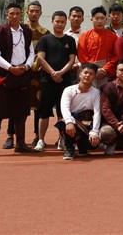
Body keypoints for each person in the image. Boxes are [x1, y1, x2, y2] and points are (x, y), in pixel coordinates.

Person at [0, 3, 35, 157]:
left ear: (21, 15)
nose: (15, 16)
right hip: (5, 76)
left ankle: (20, 143)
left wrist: (26, 66)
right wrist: (10, 68)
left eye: (18, 13)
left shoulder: (26, 31)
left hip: (23, 75)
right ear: (6, 15)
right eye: (12, 13)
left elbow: (31, 52)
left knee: (21, 112)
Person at [34, 10, 77, 152]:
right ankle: (41, 140)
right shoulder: (45, 39)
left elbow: (72, 60)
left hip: (65, 82)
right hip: (47, 81)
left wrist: (60, 73)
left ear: (66, 23)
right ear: (52, 22)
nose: (59, 24)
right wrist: (52, 73)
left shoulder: (70, 40)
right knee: (44, 112)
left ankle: (62, 139)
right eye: (57, 21)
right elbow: (40, 58)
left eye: (62, 22)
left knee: (62, 112)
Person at [58, 62, 102, 160]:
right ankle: (69, 147)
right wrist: (69, 122)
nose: (87, 75)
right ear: (80, 74)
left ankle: (82, 146)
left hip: (87, 121)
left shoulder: (96, 93)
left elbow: (97, 112)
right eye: (85, 72)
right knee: (66, 124)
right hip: (73, 120)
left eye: (91, 74)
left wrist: (94, 132)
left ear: (94, 77)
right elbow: (64, 108)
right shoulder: (68, 90)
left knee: (92, 144)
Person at [22, 0, 49, 147]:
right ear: (27, 12)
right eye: (31, 11)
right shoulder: (20, 30)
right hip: (21, 74)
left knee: (39, 106)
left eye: (36, 11)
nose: (34, 14)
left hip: (39, 75)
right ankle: (12, 135)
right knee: (19, 106)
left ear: (41, 13)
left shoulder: (45, 33)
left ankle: (38, 136)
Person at [76, 6, 119, 88]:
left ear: (106, 20)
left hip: (106, 71)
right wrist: (94, 70)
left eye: (102, 18)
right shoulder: (84, 36)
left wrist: (105, 69)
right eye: (97, 18)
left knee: (105, 94)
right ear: (92, 19)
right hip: (88, 70)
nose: (99, 21)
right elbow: (82, 56)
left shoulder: (113, 36)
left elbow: (116, 55)